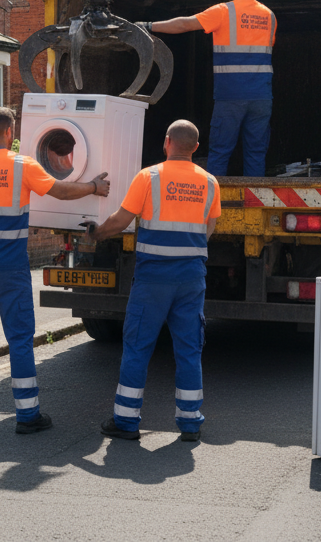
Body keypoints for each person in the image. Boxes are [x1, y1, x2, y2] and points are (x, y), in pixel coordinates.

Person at [0, 106, 110, 433]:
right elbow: (60, 190)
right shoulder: (21, 165)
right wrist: (94, 188)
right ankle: (27, 416)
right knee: (19, 338)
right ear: (10, 132)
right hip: (9, 268)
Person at [84, 120, 221, 442]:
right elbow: (209, 228)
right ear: (196, 148)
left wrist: (98, 232)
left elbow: (121, 220)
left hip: (153, 278)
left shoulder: (149, 177)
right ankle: (190, 423)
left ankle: (127, 421)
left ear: (166, 142)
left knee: (138, 346)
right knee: (189, 348)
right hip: (191, 277)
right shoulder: (210, 182)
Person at [145, 0, 276, 177]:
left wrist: (149, 26)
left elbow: (184, 25)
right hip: (262, 97)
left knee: (220, 151)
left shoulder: (224, 11)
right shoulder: (269, 15)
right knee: (256, 151)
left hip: (231, 95)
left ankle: (215, 203)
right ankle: (254, 198)